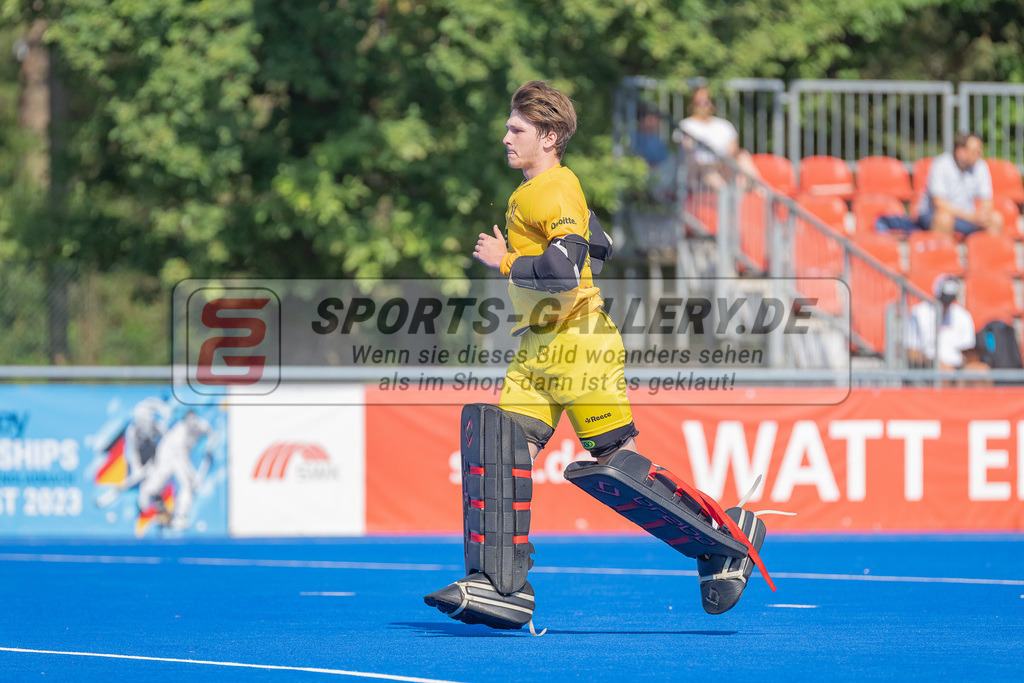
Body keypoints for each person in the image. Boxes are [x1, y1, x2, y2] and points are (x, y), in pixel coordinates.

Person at [424, 81, 771, 632]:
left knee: (617, 469)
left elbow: (564, 269)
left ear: (551, 135)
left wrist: (507, 260)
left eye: (517, 129)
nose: (506, 137)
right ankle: (500, 587)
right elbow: (601, 246)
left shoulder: (551, 189)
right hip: (539, 346)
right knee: (498, 450)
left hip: (580, 346)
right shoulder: (549, 191)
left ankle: (727, 542)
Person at [137, 410, 216, 531]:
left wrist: (210, 446)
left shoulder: (201, 425)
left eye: (193, 420)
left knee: (187, 486)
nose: (192, 423)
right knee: (160, 481)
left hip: (178, 456)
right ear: (185, 420)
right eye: (189, 421)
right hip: (168, 453)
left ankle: (180, 517)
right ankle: (145, 495)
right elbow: (182, 457)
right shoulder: (180, 431)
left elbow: (213, 435)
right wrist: (193, 475)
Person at [916, 132, 1002, 237]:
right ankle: (944, 252)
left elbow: (987, 201)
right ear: (961, 152)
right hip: (933, 215)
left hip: (968, 216)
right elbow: (940, 205)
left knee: (995, 219)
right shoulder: (941, 164)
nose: (980, 154)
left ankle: (985, 253)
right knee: (945, 219)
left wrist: (983, 216)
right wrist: (971, 217)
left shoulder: (981, 166)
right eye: (975, 152)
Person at [677, 86, 760, 188]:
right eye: (698, 102)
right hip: (700, 169)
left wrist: (722, 161)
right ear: (692, 104)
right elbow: (686, 152)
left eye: (706, 102)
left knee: (743, 156)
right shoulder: (686, 125)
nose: (702, 106)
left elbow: (733, 149)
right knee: (706, 169)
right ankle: (725, 194)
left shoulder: (724, 125)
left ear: (712, 103)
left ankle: (762, 190)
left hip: (724, 165)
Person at [905, 274, 978, 370]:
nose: (946, 304)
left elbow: (969, 352)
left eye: (949, 300)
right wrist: (932, 362)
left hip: (958, 368)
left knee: (980, 370)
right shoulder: (919, 313)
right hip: (930, 366)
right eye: (944, 300)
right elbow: (911, 351)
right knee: (942, 370)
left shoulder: (963, 315)